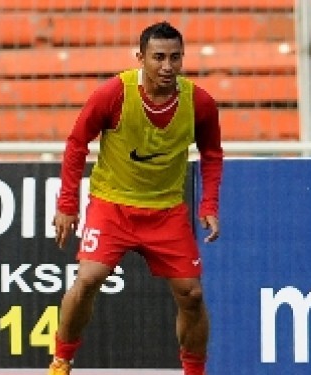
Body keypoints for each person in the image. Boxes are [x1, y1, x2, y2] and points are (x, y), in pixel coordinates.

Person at [48, 21, 223, 375]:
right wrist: (67, 205)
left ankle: (194, 372)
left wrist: (208, 205)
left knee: (192, 296)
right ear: (140, 57)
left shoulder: (200, 103)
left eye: (175, 57)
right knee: (88, 279)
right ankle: (61, 361)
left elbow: (212, 153)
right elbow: (76, 143)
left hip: (166, 211)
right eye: (158, 57)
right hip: (112, 205)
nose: (167, 66)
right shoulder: (114, 93)